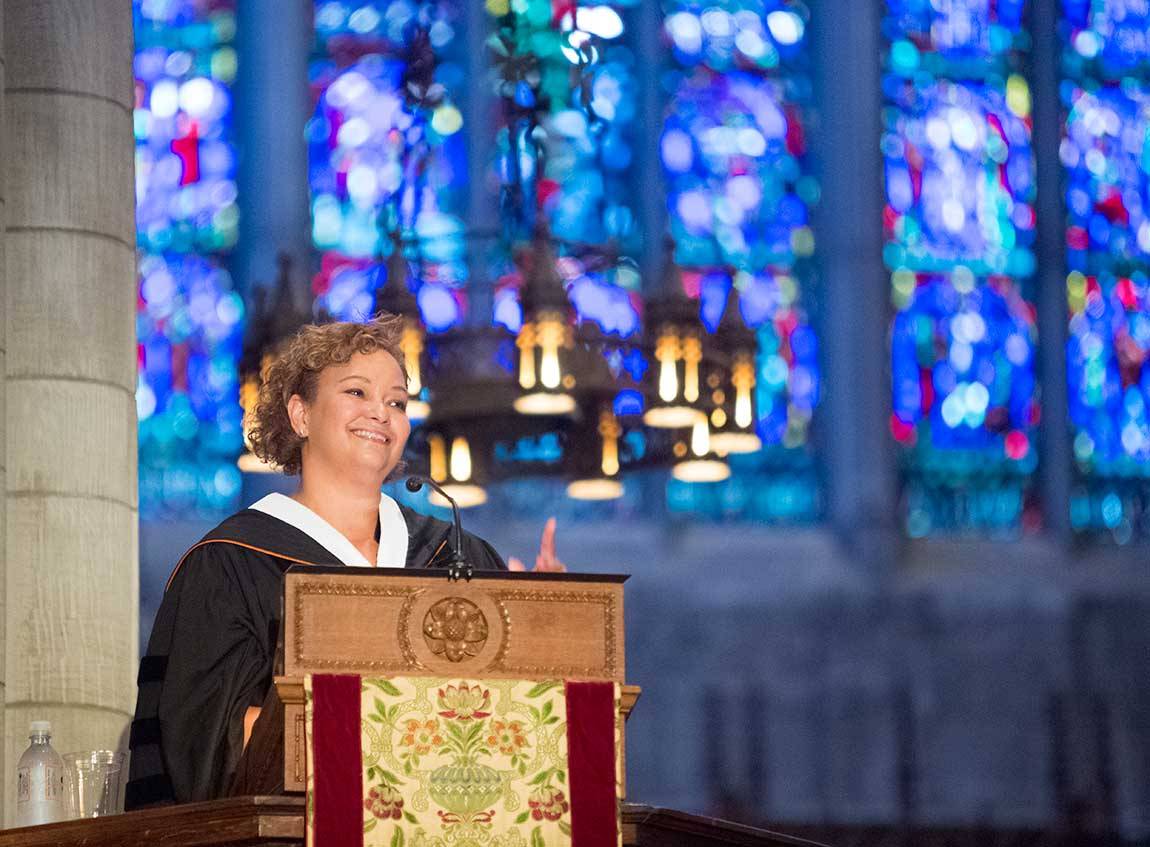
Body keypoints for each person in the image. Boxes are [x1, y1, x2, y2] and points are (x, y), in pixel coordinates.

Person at [126, 314, 565, 808]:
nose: (381, 412)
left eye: (397, 402)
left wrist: (546, 633)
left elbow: (522, 736)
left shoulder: (456, 556)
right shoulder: (231, 565)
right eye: (357, 393)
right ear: (300, 415)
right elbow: (203, 747)